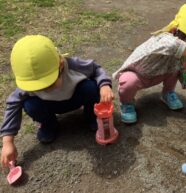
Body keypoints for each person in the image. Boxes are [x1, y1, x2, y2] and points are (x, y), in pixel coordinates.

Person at [0, 35, 114, 168]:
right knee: (30, 105)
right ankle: (50, 125)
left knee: (90, 87)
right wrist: (7, 141)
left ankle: (92, 116)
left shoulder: (73, 65)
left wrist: (104, 85)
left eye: (49, 83)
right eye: (37, 87)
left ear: (60, 65)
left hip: (75, 98)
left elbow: (96, 69)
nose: (45, 89)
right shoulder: (27, 84)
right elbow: (13, 104)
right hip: (49, 106)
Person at [113, 3, 186, 123]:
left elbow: (181, 68)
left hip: (160, 73)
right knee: (128, 81)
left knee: (175, 69)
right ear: (175, 30)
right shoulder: (164, 38)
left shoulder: (182, 50)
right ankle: (127, 104)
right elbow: (173, 44)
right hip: (138, 74)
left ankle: (168, 93)